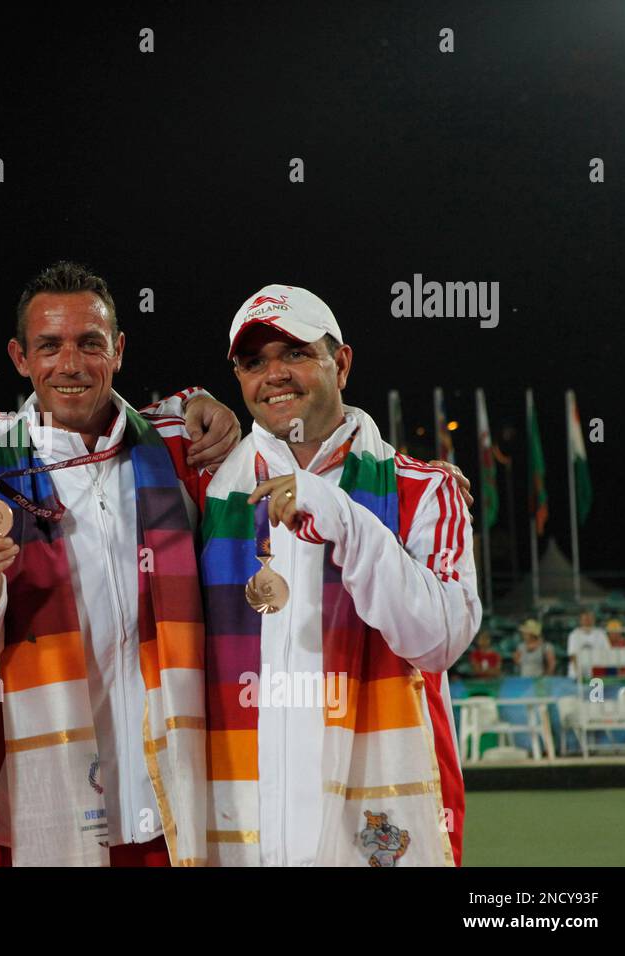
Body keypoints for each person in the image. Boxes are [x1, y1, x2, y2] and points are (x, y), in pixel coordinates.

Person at [0, 261, 233, 866]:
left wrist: (412, 473)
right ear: (20, 357)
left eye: (90, 344)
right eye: (49, 346)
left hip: (171, 807)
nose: (71, 365)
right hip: (38, 810)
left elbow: (289, 469)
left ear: (120, 349)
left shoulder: (180, 451)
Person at [202, 284, 480, 866]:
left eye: (296, 354)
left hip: (374, 829)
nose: (274, 374)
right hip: (247, 825)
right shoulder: (208, 491)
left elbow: (438, 641)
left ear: (342, 363)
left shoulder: (424, 491)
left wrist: (341, 517)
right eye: (254, 362)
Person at [566, 610, 609, 678]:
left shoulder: (601, 634)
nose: (588, 621)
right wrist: (578, 673)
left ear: (593, 620)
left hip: (596, 671)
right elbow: (572, 655)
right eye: (585, 619)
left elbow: (607, 652)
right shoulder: (574, 635)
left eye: (590, 619)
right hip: (576, 672)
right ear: (580, 621)